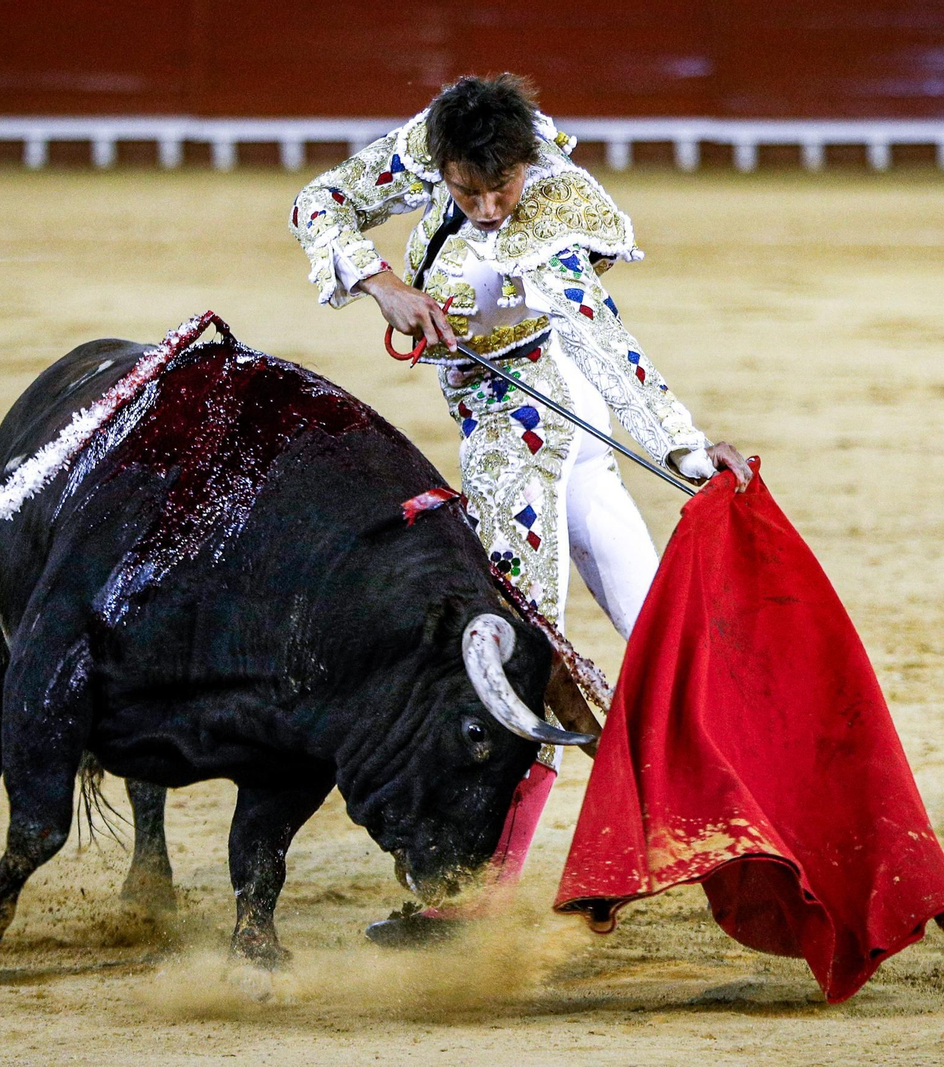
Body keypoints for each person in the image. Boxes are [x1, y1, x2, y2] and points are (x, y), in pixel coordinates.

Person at [289, 73, 751, 945]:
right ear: (444, 163)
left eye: (503, 186)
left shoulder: (555, 215)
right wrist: (382, 281)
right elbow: (321, 202)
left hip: (529, 429)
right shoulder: (428, 149)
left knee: (510, 654)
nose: (491, 205)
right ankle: (738, 817)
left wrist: (691, 452)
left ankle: (477, 900)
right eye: (469, 189)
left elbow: (611, 347)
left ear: (530, 163)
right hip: (550, 426)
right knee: (658, 629)